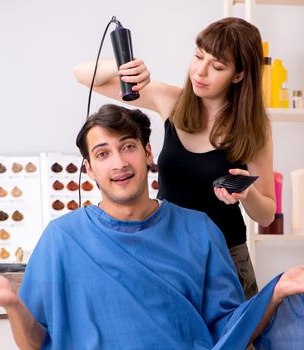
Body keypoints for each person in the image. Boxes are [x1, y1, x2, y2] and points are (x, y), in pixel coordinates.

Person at [0, 104, 304, 350]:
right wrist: (14, 305)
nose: (119, 162)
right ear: (89, 169)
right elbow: (36, 343)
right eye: (103, 153)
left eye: (128, 147)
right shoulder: (62, 239)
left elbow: (228, 332)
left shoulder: (199, 231)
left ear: (147, 153)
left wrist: (276, 293)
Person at [73, 17, 273, 298]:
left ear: (238, 75)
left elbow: (265, 214)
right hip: (167, 251)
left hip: (225, 255)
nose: (200, 72)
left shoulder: (254, 127)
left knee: (233, 340)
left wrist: (247, 194)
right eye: (198, 57)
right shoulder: (171, 101)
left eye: (217, 66)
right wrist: (123, 66)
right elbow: (82, 75)